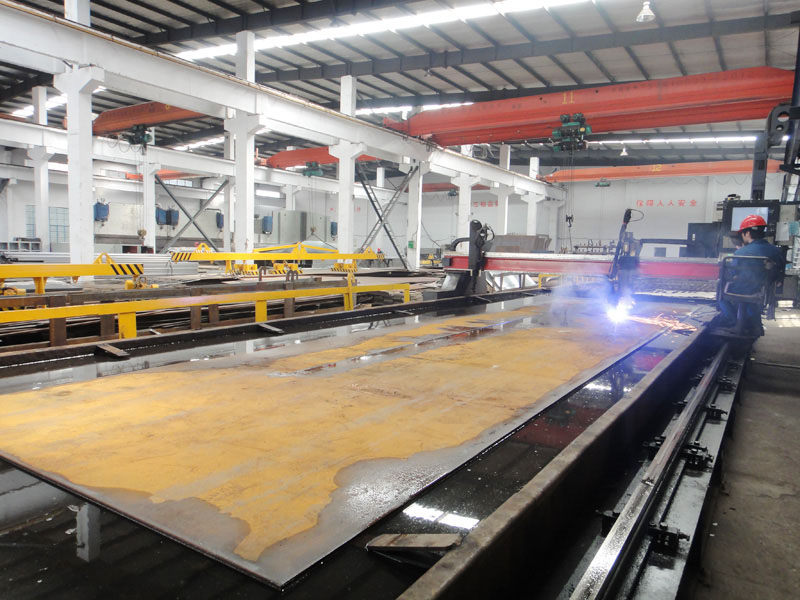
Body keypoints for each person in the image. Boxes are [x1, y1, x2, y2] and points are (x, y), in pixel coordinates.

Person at [718, 214, 784, 335]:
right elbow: (779, 270)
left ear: (747, 233)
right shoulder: (775, 250)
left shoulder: (741, 252)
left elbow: (733, 273)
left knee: (721, 289)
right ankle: (755, 325)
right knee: (750, 292)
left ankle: (734, 322)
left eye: (742, 234)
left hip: (745, 289)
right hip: (765, 289)